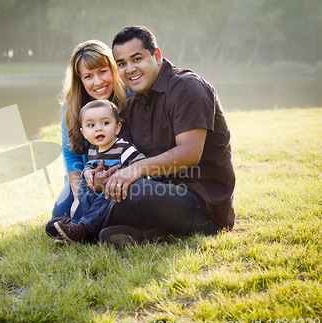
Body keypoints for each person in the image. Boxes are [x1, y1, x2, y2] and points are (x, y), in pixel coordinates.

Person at [92, 26, 235, 244]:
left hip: (203, 206)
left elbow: (190, 152)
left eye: (136, 58)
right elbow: (126, 157)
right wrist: (105, 178)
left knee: (134, 191)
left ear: (156, 56)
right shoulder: (132, 105)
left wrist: (135, 170)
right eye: (121, 64)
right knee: (111, 190)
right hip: (160, 195)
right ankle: (150, 233)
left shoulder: (187, 87)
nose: (129, 69)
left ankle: (85, 230)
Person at [50, 40, 129, 221]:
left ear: (113, 69)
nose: (98, 82)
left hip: (122, 174)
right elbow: (71, 156)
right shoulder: (71, 108)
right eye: (88, 76)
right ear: (80, 80)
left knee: (105, 211)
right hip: (88, 178)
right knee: (60, 216)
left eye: (103, 71)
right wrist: (78, 197)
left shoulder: (129, 98)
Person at [52, 100, 145, 244]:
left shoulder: (123, 149)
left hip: (118, 193)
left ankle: (82, 230)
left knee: (104, 197)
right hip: (101, 190)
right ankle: (74, 228)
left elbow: (143, 164)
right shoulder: (94, 149)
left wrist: (128, 175)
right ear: (83, 132)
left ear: (117, 128)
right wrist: (87, 172)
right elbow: (90, 164)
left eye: (105, 123)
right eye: (91, 125)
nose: (98, 129)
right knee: (89, 195)